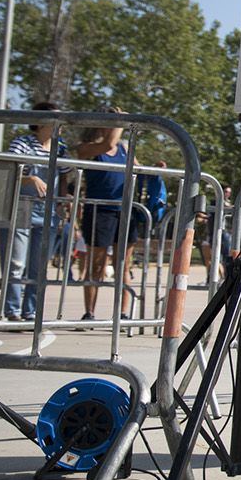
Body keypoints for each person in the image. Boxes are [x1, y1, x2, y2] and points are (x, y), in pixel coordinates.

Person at [5, 103, 71, 322]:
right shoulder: (22, 143)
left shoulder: (60, 148)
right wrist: (30, 178)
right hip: (23, 207)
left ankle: (30, 310)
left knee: (39, 265)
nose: (60, 124)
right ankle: (12, 309)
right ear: (41, 121)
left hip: (48, 211)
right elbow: (9, 170)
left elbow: (65, 174)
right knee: (17, 263)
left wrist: (63, 199)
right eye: (55, 119)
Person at [74, 110, 142, 322]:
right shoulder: (87, 148)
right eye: (112, 123)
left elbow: (138, 169)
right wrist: (121, 123)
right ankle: (90, 313)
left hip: (124, 210)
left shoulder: (124, 148)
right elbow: (106, 146)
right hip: (99, 211)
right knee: (97, 265)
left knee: (124, 264)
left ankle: (122, 314)